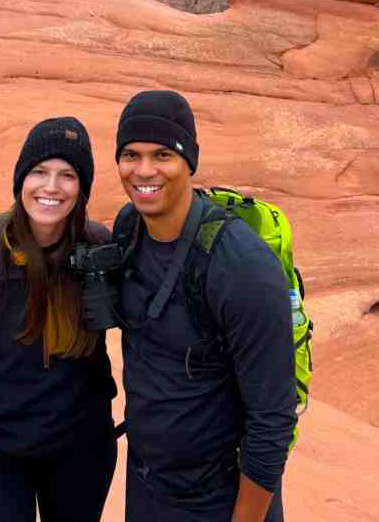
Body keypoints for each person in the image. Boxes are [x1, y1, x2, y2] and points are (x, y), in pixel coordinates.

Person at [113, 90, 297, 522]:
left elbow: (272, 419)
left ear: (189, 162)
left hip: (219, 501)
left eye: (162, 155)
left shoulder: (241, 265)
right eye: (130, 155)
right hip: (147, 486)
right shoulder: (128, 228)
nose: (144, 171)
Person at [0, 117, 117, 521]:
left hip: (80, 452)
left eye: (68, 175)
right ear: (21, 181)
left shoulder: (98, 250)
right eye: (39, 172)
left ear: (82, 187)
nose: (52, 186)